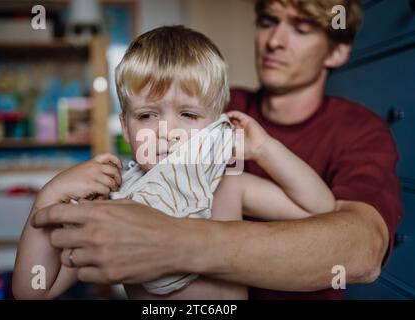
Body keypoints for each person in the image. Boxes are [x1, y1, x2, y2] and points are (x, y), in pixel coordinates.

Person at [25, 0, 402, 300]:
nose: (168, 132)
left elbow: (321, 210)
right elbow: (34, 290)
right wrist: (50, 196)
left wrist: (267, 150)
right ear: (125, 126)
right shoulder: (115, 195)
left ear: (216, 123)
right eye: (146, 115)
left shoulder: (227, 181)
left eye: (188, 114)